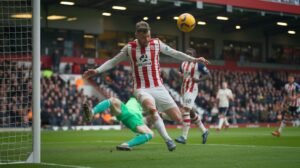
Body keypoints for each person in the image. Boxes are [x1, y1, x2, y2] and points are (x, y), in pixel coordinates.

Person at [83, 21, 209, 151]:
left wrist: (194, 60)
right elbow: (113, 61)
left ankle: (159, 115)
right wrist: (97, 70)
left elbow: (174, 53)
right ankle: (168, 140)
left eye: (148, 36)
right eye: (144, 37)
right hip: (141, 88)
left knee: (178, 118)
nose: (147, 39)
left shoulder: (156, 43)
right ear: (137, 34)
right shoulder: (130, 48)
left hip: (159, 87)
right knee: (151, 108)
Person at [83, 79, 153, 151]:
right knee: (112, 100)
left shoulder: (145, 100)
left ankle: (127, 144)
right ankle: (91, 112)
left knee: (149, 133)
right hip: (127, 113)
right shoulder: (138, 98)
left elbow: (150, 113)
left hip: (132, 117)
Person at [174, 48, 211, 144]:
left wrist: (199, 80)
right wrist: (179, 75)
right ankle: (204, 131)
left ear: (194, 55)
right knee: (190, 111)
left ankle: (184, 137)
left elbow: (209, 75)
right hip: (184, 89)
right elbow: (181, 73)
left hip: (192, 89)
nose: (188, 55)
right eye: (187, 54)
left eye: (190, 54)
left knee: (186, 110)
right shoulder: (183, 63)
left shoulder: (199, 64)